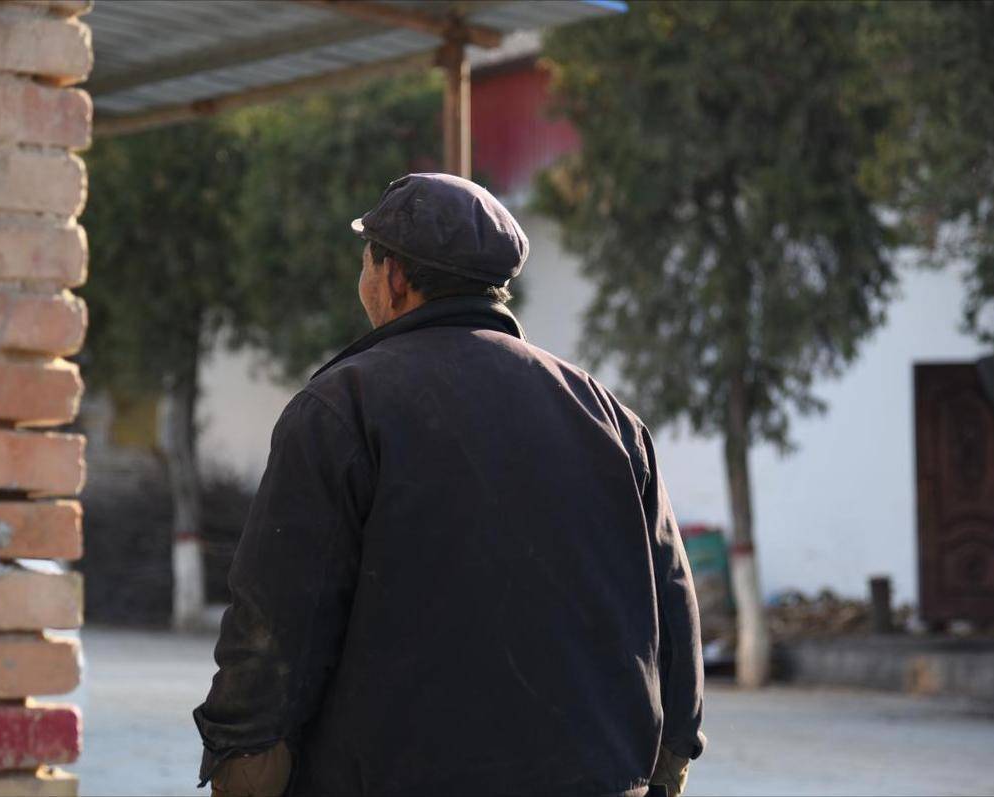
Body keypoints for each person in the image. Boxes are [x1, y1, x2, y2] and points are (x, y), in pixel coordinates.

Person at [193, 173, 705, 797]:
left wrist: (241, 754)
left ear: (393, 278)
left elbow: (276, 615)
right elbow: (672, 604)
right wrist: (671, 760)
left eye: (365, 262)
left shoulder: (343, 407)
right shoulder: (607, 416)